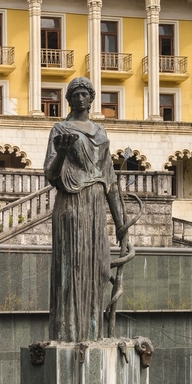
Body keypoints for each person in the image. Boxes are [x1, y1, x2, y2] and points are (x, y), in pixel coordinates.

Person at [43, 77, 128, 342]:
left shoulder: (101, 133)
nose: (80, 98)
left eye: (84, 94)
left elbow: (110, 180)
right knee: (71, 270)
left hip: (95, 205)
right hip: (71, 204)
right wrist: (61, 153)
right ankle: (67, 333)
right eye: (75, 94)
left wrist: (122, 226)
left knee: (98, 269)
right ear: (69, 99)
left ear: (91, 99)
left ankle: (94, 333)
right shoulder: (60, 130)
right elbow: (50, 174)